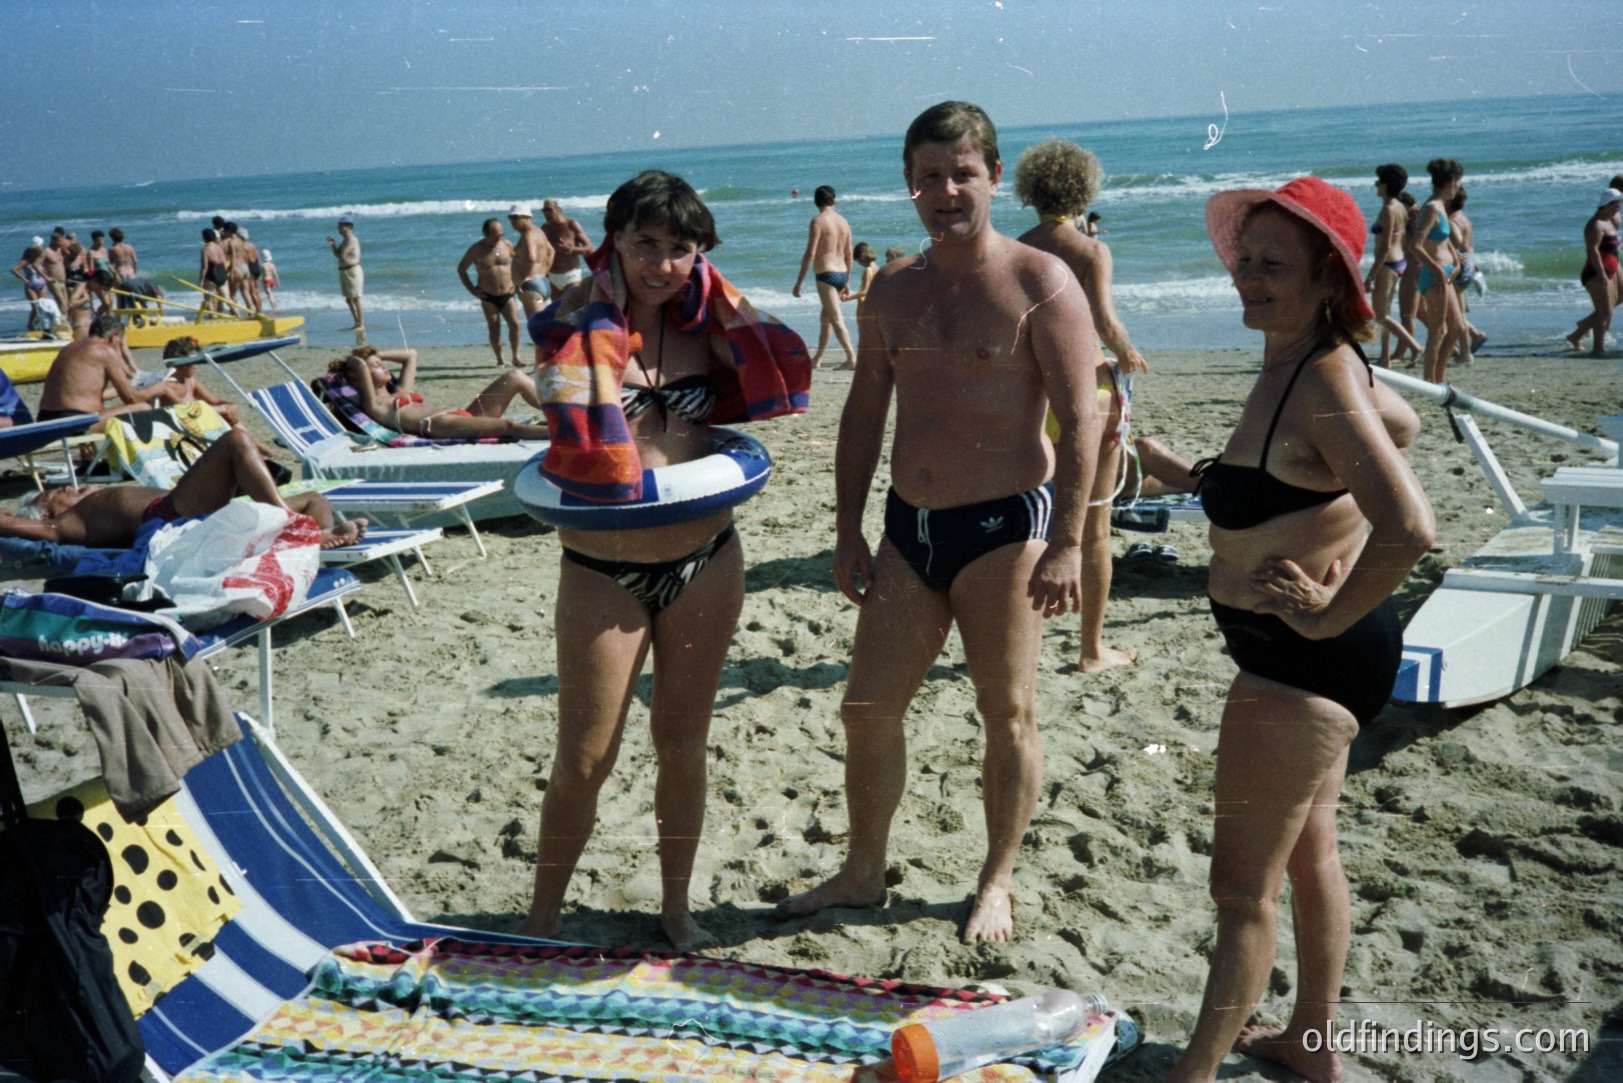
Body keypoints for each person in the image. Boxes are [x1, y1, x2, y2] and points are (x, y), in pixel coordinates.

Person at [781, 102, 1099, 943]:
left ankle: (995, 879)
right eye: (929, 176)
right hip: (907, 526)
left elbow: (1083, 418)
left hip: (1005, 526)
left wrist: (1068, 542)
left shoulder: (1040, 282)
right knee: (866, 708)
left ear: (994, 176)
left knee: (1007, 710)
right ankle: (861, 871)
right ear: (909, 187)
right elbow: (862, 416)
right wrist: (847, 529)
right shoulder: (893, 289)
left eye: (962, 172)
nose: (946, 190)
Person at [1167, 177, 1433, 1083]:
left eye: (1272, 264)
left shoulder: (1318, 375)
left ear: (1328, 277)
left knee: (1241, 892)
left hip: (1301, 661)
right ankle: (1310, 1044)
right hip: (1316, 655)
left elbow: (1410, 526)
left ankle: (1191, 1073)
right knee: (1312, 850)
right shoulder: (1309, 363)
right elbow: (1394, 424)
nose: (1247, 278)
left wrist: (1325, 608)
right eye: (1244, 260)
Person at [520, 170, 809, 950]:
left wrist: (719, 307)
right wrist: (594, 314)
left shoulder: (709, 327)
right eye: (645, 244)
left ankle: (675, 905)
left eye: (680, 249)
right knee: (584, 756)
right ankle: (541, 918)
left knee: (682, 743)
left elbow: (765, 364)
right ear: (614, 242)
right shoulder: (570, 326)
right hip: (600, 565)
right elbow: (561, 402)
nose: (661, 263)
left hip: (705, 554)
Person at [1014, 137, 1149, 673]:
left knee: (1030, 524)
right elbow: (1106, 323)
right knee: (1093, 526)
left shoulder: (1015, 248)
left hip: (1032, 396)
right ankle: (1091, 650)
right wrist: (1131, 355)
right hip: (1089, 395)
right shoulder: (1091, 251)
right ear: (1082, 189)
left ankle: (1022, 645)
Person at [0, 426, 364, 550]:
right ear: (48, 510)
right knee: (235, 440)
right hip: (172, 518)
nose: (71, 486)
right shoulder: (60, 525)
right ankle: (299, 529)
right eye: (59, 490)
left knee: (313, 497)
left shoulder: (87, 505)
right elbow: (10, 523)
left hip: (194, 509)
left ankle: (313, 533)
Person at [327, 345, 547, 440]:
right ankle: (570, 433)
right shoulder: (375, 405)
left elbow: (410, 355)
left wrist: (376, 355)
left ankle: (561, 411)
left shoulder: (401, 391)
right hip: (440, 425)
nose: (384, 367)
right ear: (357, 375)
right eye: (375, 366)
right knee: (511, 427)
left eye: (381, 363)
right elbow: (357, 363)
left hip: (465, 415)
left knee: (515, 377)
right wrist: (361, 360)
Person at [36, 314, 178, 425]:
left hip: (46, 419)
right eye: (120, 343)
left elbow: (84, 393)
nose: (118, 348)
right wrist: (160, 388)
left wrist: (134, 386)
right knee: (143, 408)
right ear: (114, 336)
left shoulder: (69, 347)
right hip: (75, 421)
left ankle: (88, 459)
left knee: (96, 406)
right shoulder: (105, 351)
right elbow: (131, 399)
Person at [1414, 158, 1471, 382]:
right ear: (1450, 182)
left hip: (1447, 271)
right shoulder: (1430, 208)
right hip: (1434, 275)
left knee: (1456, 328)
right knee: (1437, 331)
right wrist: (1437, 270)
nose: (1458, 188)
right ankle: (1431, 381)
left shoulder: (1440, 207)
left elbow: (1443, 239)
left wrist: (1456, 259)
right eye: (1457, 182)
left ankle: (1438, 378)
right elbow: (1415, 245)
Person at [1363, 164, 1424, 367]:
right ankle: (1385, 358)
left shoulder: (1389, 209)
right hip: (1399, 262)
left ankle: (1415, 347)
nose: (1375, 185)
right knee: (1385, 313)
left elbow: (1385, 246)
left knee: (1381, 315)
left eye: (1378, 182)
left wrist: (1371, 276)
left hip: (1388, 263)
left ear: (1386, 184)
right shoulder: (1399, 206)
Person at [792, 185, 856, 369]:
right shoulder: (844, 221)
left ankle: (852, 358)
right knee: (826, 318)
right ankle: (818, 359)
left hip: (826, 274)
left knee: (835, 318)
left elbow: (810, 253)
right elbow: (849, 253)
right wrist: (848, 280)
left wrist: (799, 282)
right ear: (833, 201)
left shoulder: (818, 221)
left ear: (816, 202)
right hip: (842, 273)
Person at [457, 218, 525, 367]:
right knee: (494, 328)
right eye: (495, 235)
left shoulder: (506, 245)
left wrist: (517, 282)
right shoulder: (476, 249)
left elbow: (520, 263)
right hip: (488, 296)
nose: (499, 238)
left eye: (501, 234)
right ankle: (500, 359)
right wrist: (472, 290)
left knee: (515, 325)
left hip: (508, 294)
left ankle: (516, 357)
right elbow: (461, 269)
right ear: (485, 234)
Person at [1567, 188, 1622, 355]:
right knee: (1605, 312)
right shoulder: (1595, 225)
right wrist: (1602, 275)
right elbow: (1593, 251)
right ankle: (1598, 348)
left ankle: (1580, 331)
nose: (1618, 208)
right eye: (1615, 205)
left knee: (1610, 306)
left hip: (1610, 269)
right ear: (1605, 205)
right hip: (1596, 273)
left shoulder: (1609, 221)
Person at [1446, 187, 1487, 357]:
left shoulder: (1451, 219)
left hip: (1460, 263)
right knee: (1458, 310)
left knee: (1453, 311)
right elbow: (1468, 245)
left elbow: (1455, 245)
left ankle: (1475, 336)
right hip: (1469, 262)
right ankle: (1465, 347)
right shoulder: (1465, 219)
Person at [508, 205, 555, 317]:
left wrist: (522, 280)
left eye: (516, 217)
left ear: (526, 217)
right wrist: (545, 271)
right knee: (541, 325)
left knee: (536, 327)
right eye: (511, 218)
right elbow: (551, 251)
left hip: (531, 286)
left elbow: (531, 258)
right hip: (541, 281)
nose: (512, 221)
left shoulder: (528, 234)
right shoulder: (538, 231)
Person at [541, 199, 595, 295]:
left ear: (559, 210)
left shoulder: (571, 225)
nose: (546, 213)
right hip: (552, 276)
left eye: (549, 210)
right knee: (557, 309)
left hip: (571, 276)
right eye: (544, 211)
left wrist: (572, 249)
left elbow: (589, 248)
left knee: (573, 306)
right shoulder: (545, 228)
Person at [327, 215, 364, 331]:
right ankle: (356, 322)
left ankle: (361, 324)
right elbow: (338, 255)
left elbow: (342, 256)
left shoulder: (352, 240)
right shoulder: (345, 240)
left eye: (340, 226)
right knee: (349, 299)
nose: (338, 229)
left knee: (356, 298)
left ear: (347, 227)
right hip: (344, 270)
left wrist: (340, 253)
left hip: (352, 270)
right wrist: (333, 245)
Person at [198, 228, 229, 314]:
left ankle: (213, 316)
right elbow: (224, 262)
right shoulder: (219, 247)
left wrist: (201, 280)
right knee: (227, 298)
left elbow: (204, 267)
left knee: (208, 298)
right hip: (221, 273)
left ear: (204, 238)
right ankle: (237, 313)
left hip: (212, 275)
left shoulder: (205, 249)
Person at [849, 242, 879, 317]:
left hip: (864, 304)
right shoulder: (877, 268)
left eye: (858, 260)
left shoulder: (868, 270)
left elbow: (865, 292)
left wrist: (848, 298)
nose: (859, 263)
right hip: (874, 303)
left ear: (862, 257)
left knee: (862, 327)